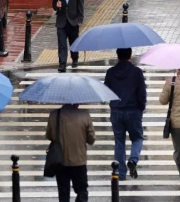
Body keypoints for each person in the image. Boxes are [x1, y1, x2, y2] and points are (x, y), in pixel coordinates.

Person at [104, 48, 147, 180]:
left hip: (116, 111)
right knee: (137, 138)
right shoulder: (136, 72)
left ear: (117, 56)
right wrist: (141, 107)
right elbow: (142, 93)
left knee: (119, 142)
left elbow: (106, 91)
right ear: (130, 56)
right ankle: (133, 160)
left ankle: (120, 173)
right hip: (133, 110)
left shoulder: (110, 72)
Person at [45, 104, 95, 202]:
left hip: (60, 160)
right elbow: (91, 140)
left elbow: (49, 135)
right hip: (79, 161)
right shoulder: (84, 116)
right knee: (82, 191)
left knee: (63, 193)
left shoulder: (54, 115)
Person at [52, 0, 85, 73]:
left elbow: (80, 6)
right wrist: (57, 6)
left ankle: (75, 58)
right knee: (62, 44)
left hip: (73, 21)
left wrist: (80, 18)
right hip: (61, 22)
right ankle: (62, 64)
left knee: (73, 42)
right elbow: (54, 6)